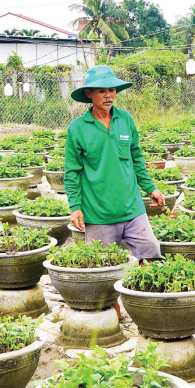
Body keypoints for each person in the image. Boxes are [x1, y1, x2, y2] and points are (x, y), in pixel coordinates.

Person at [64, 65, 165, 265]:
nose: (108, 95)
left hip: (132, 208)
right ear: (89, 93)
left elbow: (136, 158)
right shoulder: (77, 129)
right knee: (102, 269)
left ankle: (142, 296)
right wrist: (75, 207)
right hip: (99, 213)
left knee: (152, 257)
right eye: (102, 90)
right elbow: (72, 172)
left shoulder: (125, 119)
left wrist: (150, 188)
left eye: (112, 90)